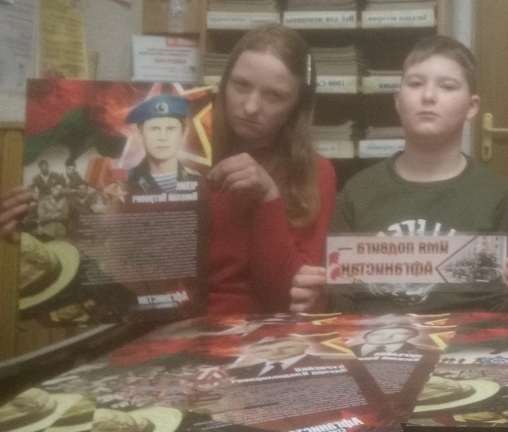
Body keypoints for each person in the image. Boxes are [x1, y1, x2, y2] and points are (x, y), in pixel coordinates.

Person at [1, 24, 336, 316]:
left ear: (297, 105)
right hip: (158, 324)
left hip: (253, 336)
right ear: (224, 82)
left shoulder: (313, 172)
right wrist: (36, 234)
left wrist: (268, 197)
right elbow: (115, 258)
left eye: (274, 96)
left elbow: (284, 300)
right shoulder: (182, 151)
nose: (250, 107)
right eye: (241, 85)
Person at [290, 35, 508, 314]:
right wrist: (319, 301)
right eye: (415, 83)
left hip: (472, 338)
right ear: (398, 100)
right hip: (374, 338)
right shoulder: (358, 192)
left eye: (447, 86)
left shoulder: (499, 196)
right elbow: (340, 303)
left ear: (471, 107)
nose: (428, 96)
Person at [125, 94, 198, 194]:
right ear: (140, 134)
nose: (163, 137)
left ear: (183, 134)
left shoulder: (198, 181)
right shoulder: (125, 184)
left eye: (171, 129)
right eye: (154, 129)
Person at [225, 338, 322, 377]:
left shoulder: (325, 362)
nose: (275, 352)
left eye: (286, 347)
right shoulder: (238, 372)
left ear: (306, 346)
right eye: (264, 350)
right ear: (253, 353)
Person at [351, 326, 420, 356]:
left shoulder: (421, 352)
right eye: (377, 334)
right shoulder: (350, 349)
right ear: (365, 336)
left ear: (411, 336)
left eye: (399, 333)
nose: (387, 337)